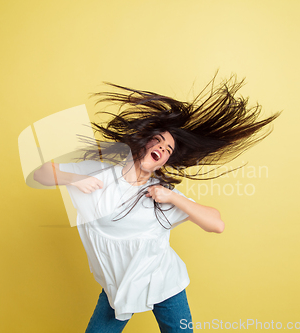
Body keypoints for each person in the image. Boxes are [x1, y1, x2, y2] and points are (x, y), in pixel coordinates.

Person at [33, 75, 280, 332]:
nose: (162, 149)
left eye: (168, 150)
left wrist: (172, 197)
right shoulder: (99, 172)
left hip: (163, 281)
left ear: (165, 161)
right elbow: (40, 173)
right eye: (158, 141)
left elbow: (216, 224)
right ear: (143, 140)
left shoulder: (160, 194)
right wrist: (73, 179)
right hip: (119, 285)